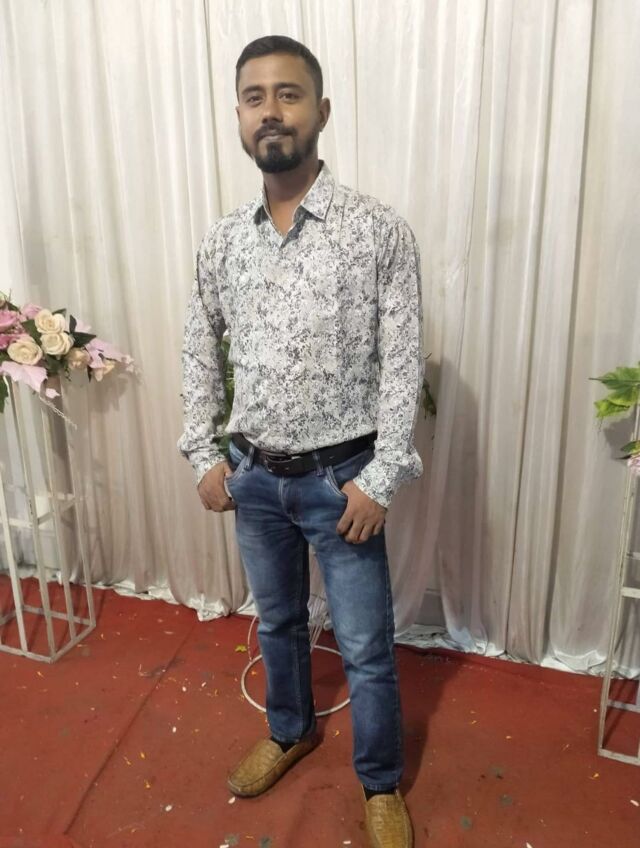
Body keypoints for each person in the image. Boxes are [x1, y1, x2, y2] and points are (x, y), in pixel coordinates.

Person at [178, 35, 423, 848]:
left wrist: (381, 477)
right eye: (255, 98)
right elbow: (198, 349)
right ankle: (290, 731)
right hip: (254, 480)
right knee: (277, 623)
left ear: (321, 111)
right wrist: (202, 452)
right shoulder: (223, 241)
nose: (271, 111)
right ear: (239, 117)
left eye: (288, 95)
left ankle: (379, 781)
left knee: (366, 646)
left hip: (341, 482)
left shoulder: (378, 232)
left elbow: (402, 363)